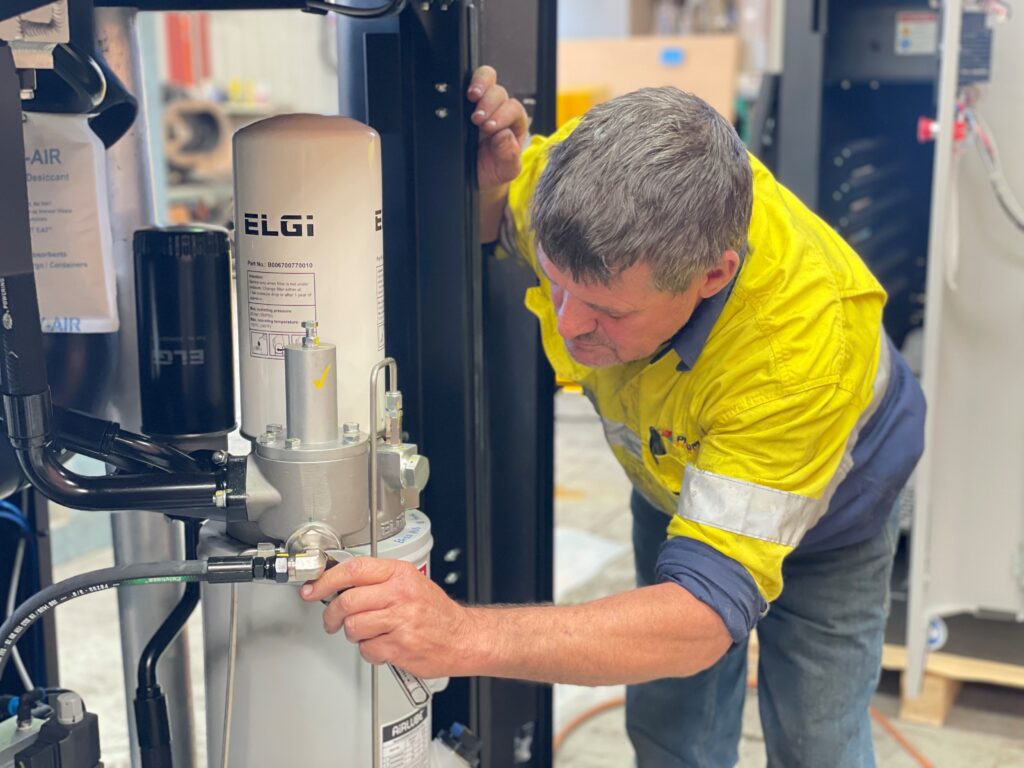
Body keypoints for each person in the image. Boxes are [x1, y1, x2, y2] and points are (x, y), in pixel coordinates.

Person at [301, 66, 926, 767]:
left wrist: (460, 636)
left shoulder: (791, 354)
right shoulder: (567, 189)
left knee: (819, 737)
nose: (569, 330)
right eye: (557, 286)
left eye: (609, 312)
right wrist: (486, 188)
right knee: (669, 722)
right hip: (673, 464)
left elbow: (699, 619)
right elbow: (498, 224)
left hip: (838, 507)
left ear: (712, 276)